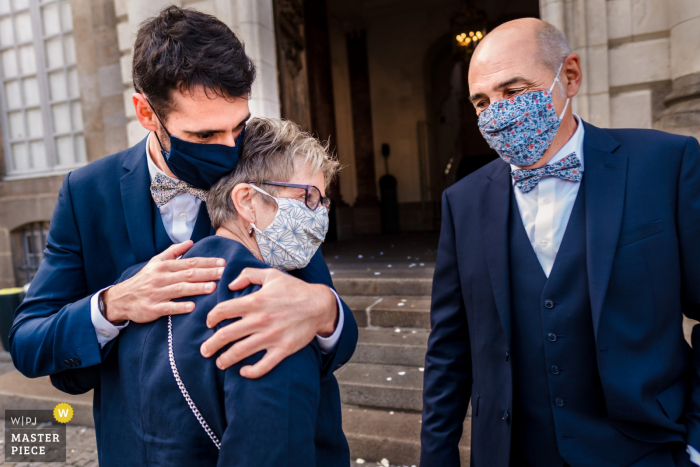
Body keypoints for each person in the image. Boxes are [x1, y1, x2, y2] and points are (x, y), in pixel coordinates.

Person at [9, 6, 356, 385]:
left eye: (237, 127)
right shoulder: (86, 192)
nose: (229, 148)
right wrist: (114, 304)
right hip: (141, 437)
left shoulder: (263, 163)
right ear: (146, 112)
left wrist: (325, 311)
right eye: (205, 135)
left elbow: (339, 328)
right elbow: (27, 341)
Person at [421, 18, 699, 467]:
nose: (496, 113)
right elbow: (449, 350)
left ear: (569, 75)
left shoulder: (665, 165)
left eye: (513, 92)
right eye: (481, 101)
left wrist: (697, 441)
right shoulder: (463, 201)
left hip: (644, 450)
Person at [51, 117, 351, 466]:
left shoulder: (134, 280)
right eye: (308, 198)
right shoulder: (271, 315)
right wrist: (107, 306)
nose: (320, 216)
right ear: (248, 201)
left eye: (323, 202)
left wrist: (327, 309)